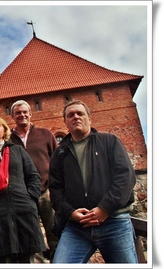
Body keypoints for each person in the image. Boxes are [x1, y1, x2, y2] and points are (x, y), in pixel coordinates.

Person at [49, 100, 138, 263]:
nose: (75, 117)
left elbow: (125, 177)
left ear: (89, 118)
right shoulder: (60, 153)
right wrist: (70, 213)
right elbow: (55, 191)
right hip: (77, 228)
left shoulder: (109, 141)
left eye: (80, 113)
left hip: (114, 222)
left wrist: (105, 209)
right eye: (70, 115)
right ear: (66, 122)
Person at [0, 115, 46, 263]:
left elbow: (33, 175)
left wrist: (31, 199)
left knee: (28, 255)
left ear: (4, 130)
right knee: (3, 257)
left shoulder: (18, 151)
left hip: (23, 209)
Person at [10, 100, 59, 262]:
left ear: (30, 114)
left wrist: (56, 186)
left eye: (25, 112)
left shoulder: (45, 134)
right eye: (18, 113)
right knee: (31, 235)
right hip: (23, 195)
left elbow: (58, 161)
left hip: (46, 191)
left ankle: (60, 260)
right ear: (12, 116)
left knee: (55, 230)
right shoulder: (8, 140)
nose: (22, 115)